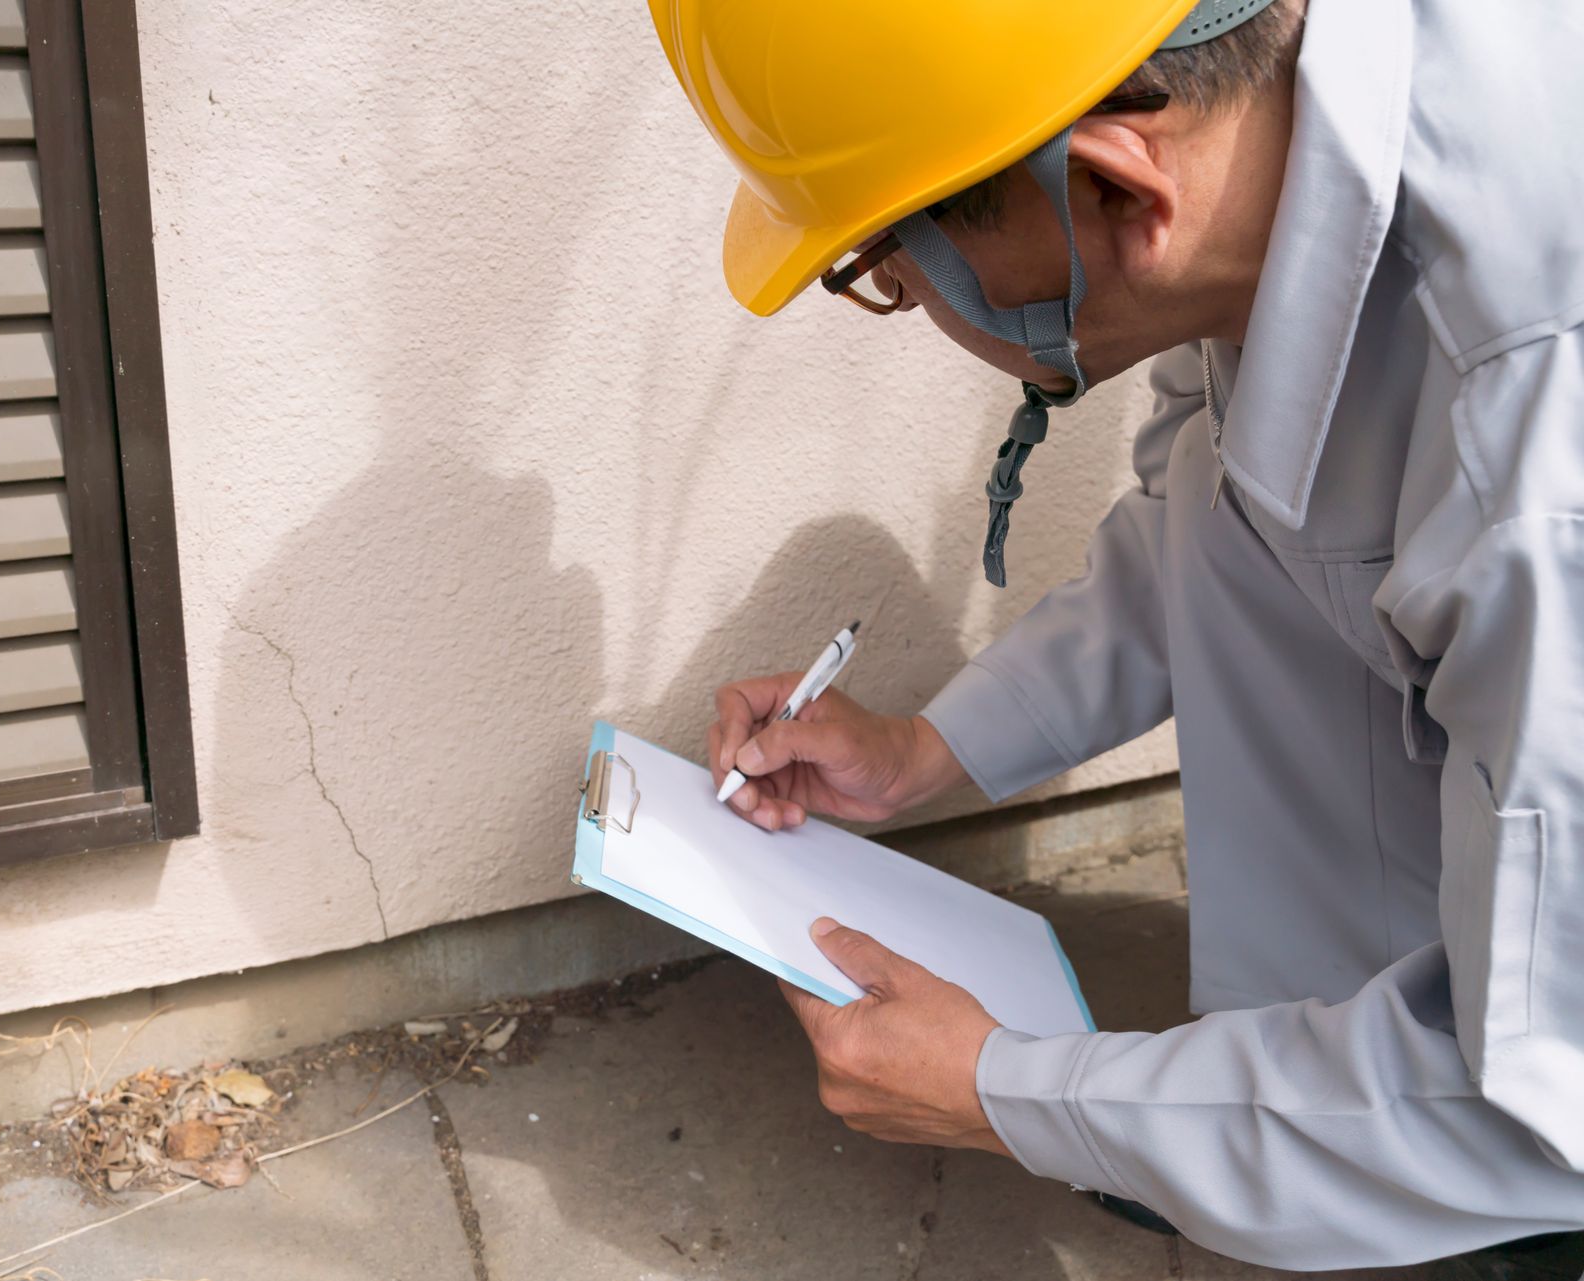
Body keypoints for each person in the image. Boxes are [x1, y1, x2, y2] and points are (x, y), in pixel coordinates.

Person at [654, 0, 1584, 1271]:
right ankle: (1296, 1133)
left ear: (1110, 186)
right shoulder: (1275, 151)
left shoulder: (1537, 455)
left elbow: (1541, 1108)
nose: (899, 294)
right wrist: (932, 748)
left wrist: (1019, 1100)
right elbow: (1225, 519)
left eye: (883, 262)